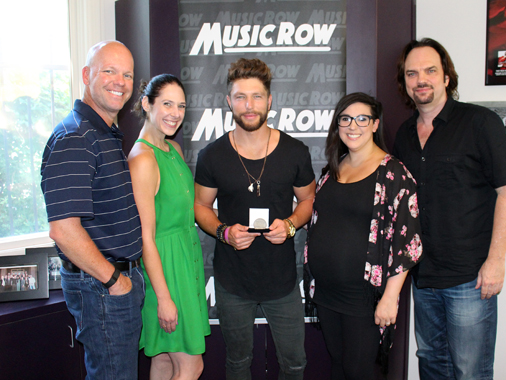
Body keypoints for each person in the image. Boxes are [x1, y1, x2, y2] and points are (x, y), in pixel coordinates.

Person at [394, 38, 506, 380]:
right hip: (422, 277)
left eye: (430, 70)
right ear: (405, 82)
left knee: (470, 372)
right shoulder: (404, 135)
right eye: (412, 73)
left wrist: (496, 261)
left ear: (446, 76)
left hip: (470, 278)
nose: (422, 79)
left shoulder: (480, 122)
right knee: (432, 364)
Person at [194, 58, 316, 380]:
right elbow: (201, 207)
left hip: (283, 282)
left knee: (294, 363)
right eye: (240, 97)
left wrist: (290, 225)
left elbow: (308, 200)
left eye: (257, 96)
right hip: (232, 281)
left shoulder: (295, 152)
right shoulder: (212, 155)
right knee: (237, 362)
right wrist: (223, 232)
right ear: (228, 101)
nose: (249, 106)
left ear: (269, 100)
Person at [40, 40, 144, 380]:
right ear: (86, 75)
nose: (120, 81)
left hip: (115, 282)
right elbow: (63, 230)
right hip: (103, 287)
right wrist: (114, 280)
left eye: (127, 74)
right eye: (109, 71)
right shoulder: (75, 137)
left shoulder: (105, 133)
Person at [303, 93, 423, 380]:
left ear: (374, 124)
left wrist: (390, 298)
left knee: (360, 372)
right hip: (328, 293)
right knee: (339, 366)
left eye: (361, 119)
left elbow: (409, 244)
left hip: (362, 297)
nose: (352, 126)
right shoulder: (333, 170)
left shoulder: (394, 173)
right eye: (345, 119)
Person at [129, 74, 210, 380]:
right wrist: (163, 297)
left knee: (163, 360)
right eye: (166, 104)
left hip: (184, 266)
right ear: (147, 104)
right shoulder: (143, 159)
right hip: (165, 271)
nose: (175, 113)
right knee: (192, 365)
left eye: (181, 105)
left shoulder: (173, 149)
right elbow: (146, 237)